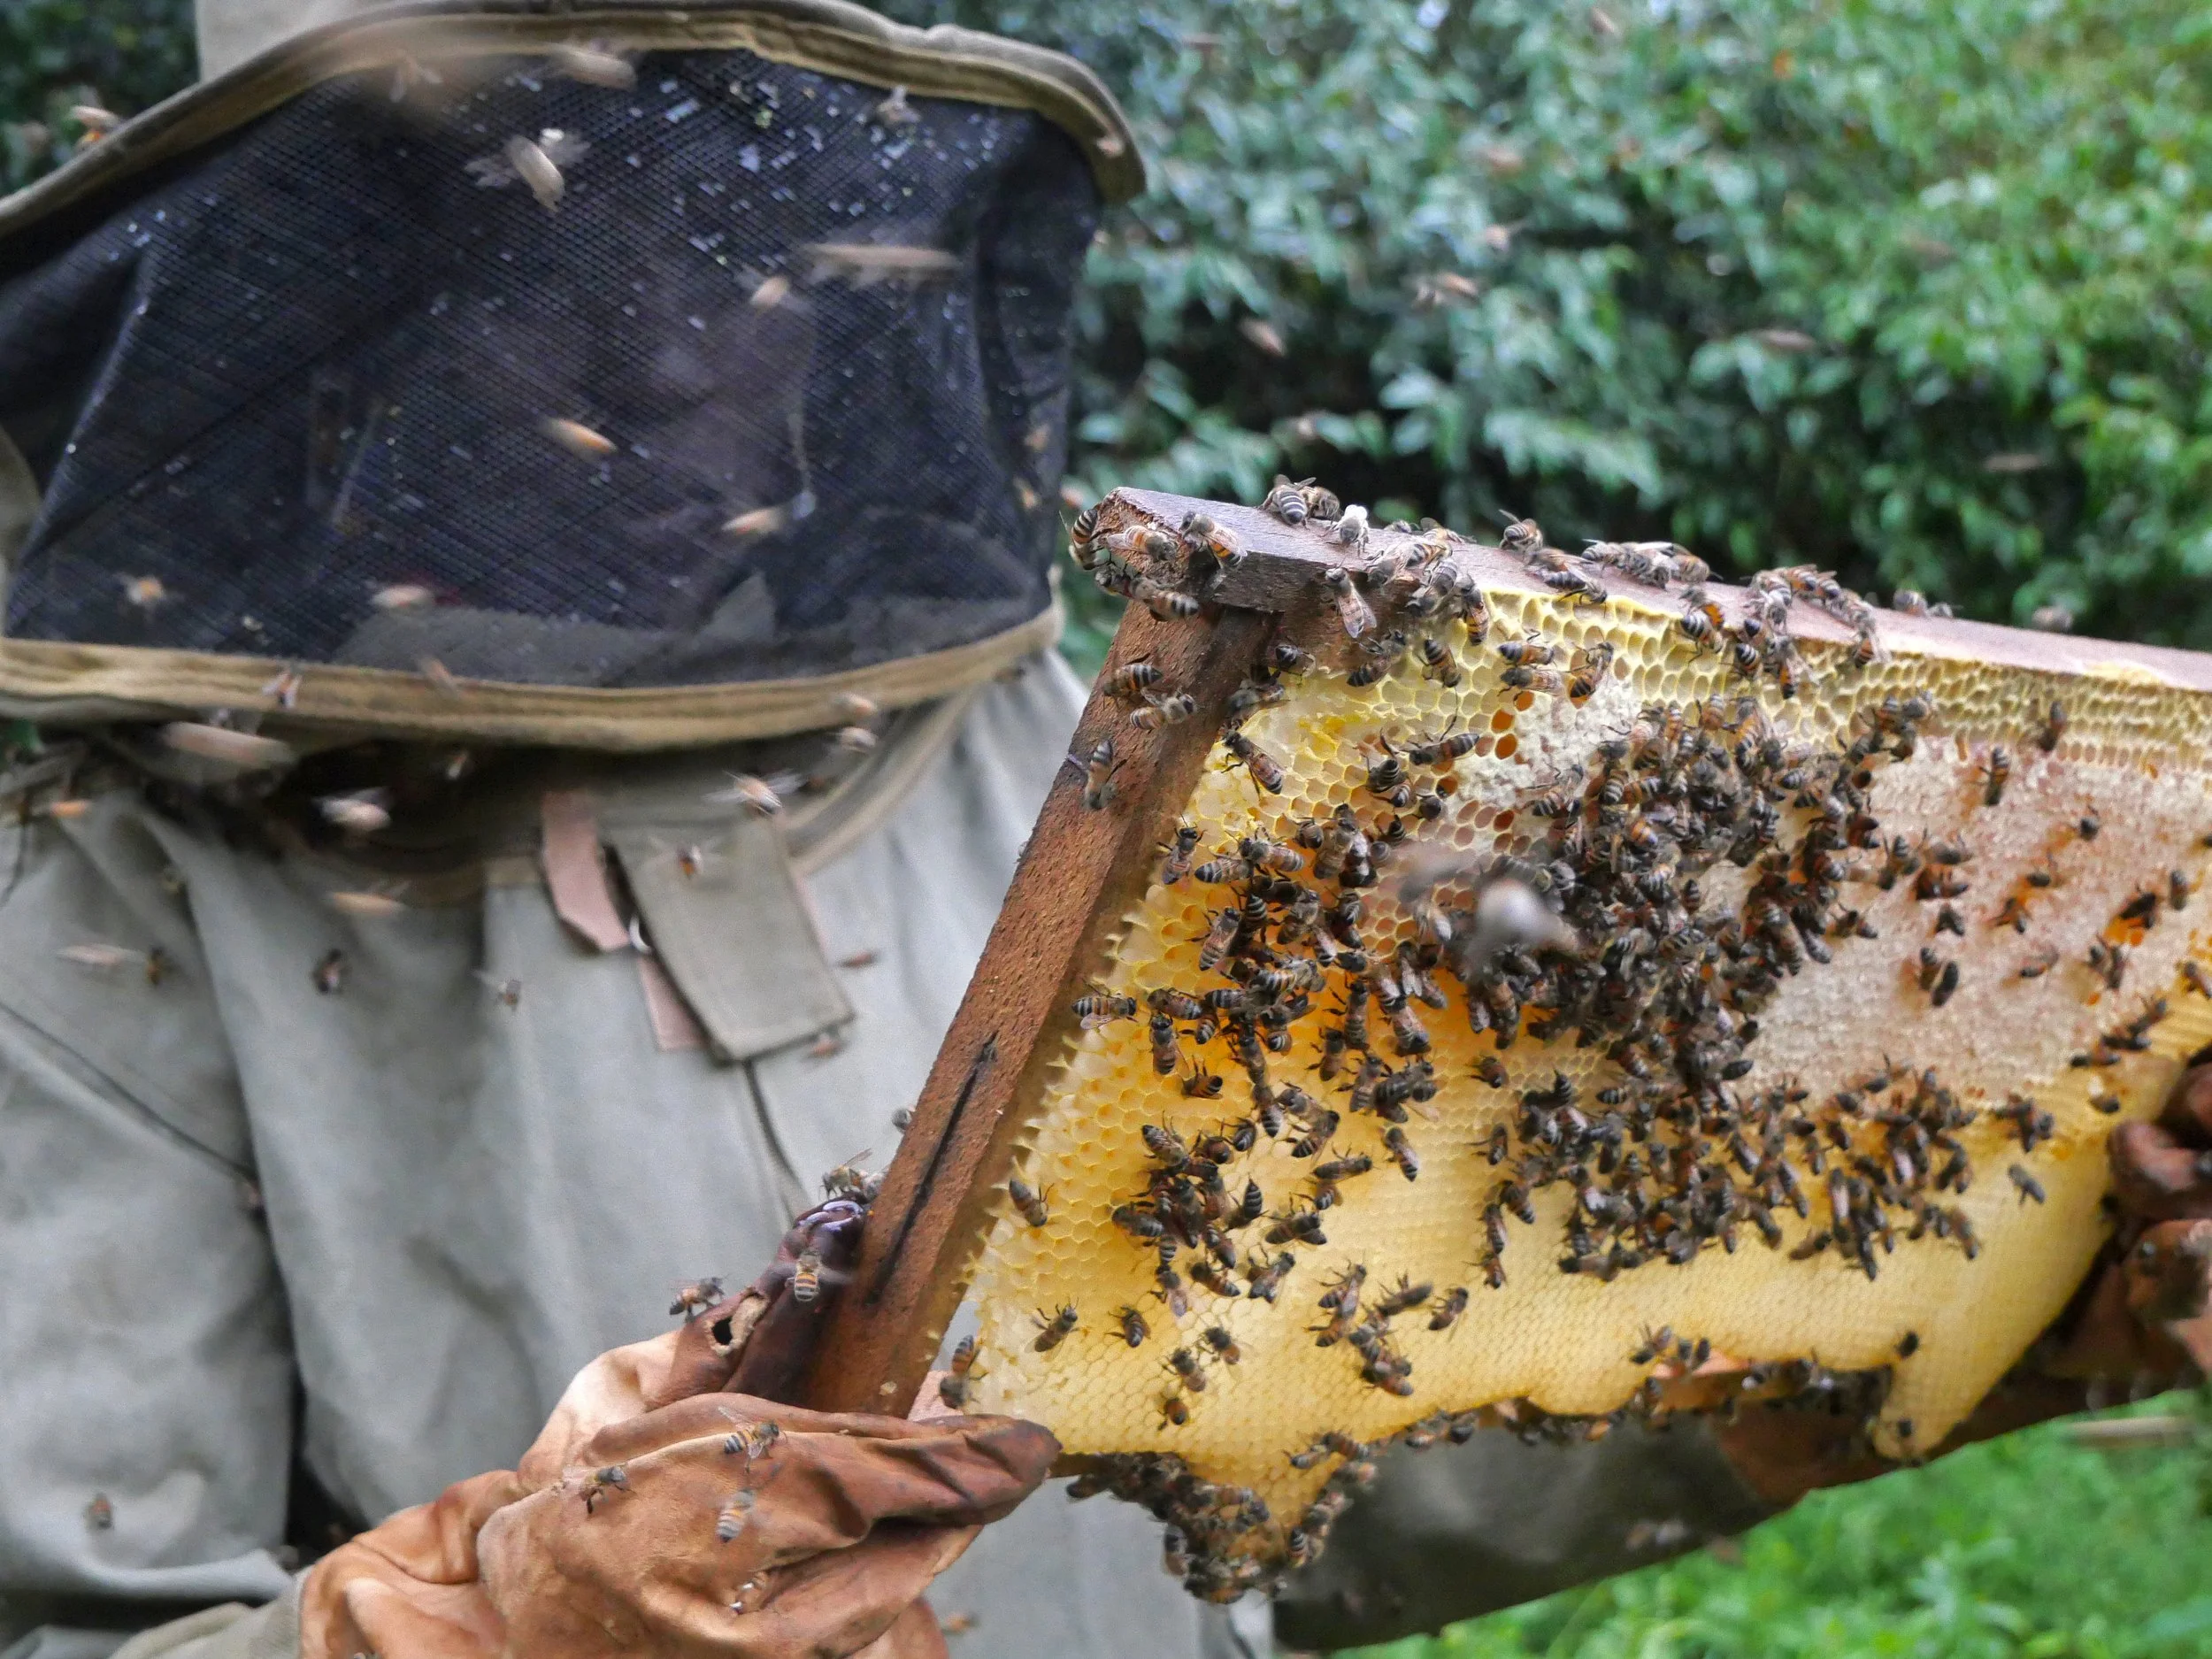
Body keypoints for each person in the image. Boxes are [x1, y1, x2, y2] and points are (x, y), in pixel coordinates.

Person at [2, 5, 2208, 1659]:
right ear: (344, 302)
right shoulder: (120, 911)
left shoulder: (1056, 748)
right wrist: (469, 1629)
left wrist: (1936, 1319)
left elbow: (1277, 1468)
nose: (682, 360)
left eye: (733, 242)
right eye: (562, 257)